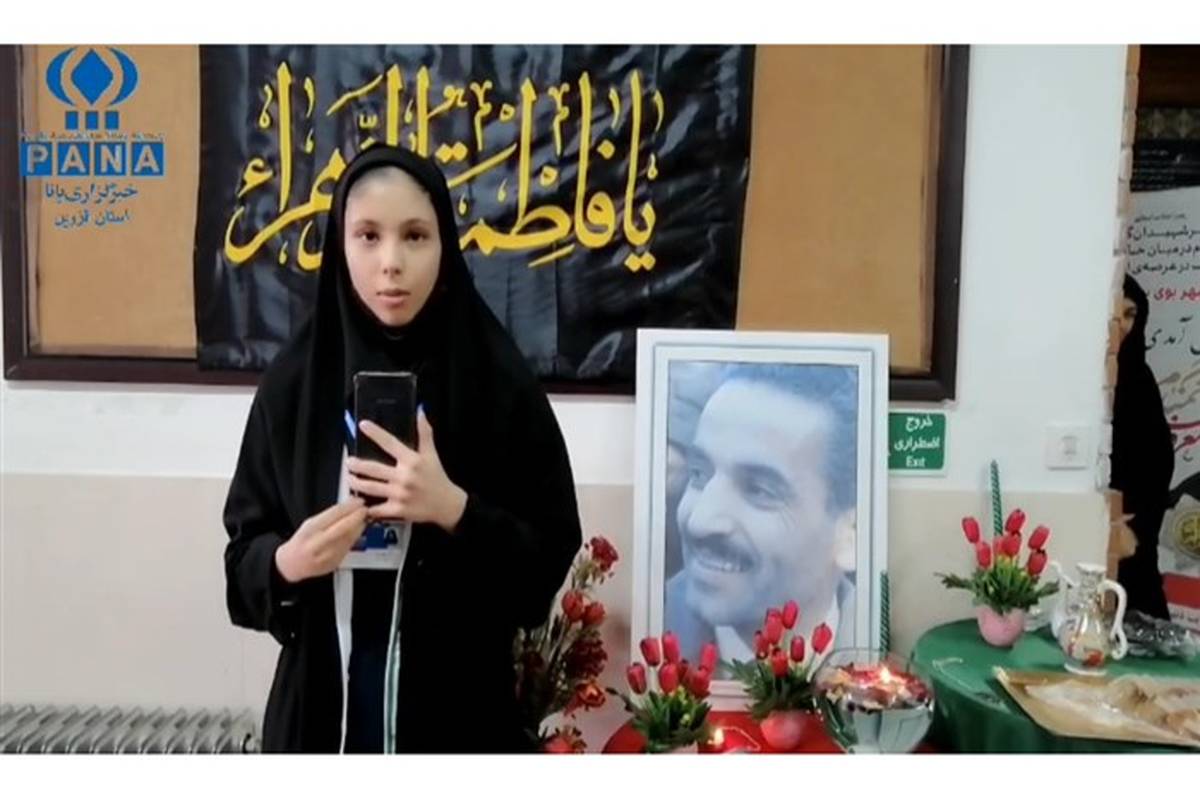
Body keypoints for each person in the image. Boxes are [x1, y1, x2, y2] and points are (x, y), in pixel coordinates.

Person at [222, 145, 582, 753]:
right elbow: (240, 571)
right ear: (340, 246)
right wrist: (288, 562)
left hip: (460, 728)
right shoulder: (294, 388)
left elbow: (542, 571)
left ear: (445, 245)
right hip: (318, 726)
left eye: (415, 236)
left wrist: (453, 509)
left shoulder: (498, 386)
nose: (391, 263)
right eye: (368, 236)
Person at [664, 363, 859, 669]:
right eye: (699, 474)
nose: (699, 521)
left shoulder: (877, 657)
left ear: (850, 534)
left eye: (759, 490)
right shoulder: (651, 630)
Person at [1112, 275, 1173, 619]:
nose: (1123, 324)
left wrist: (1135, 530)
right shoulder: (1080, 378)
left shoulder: (1140, 380)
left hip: (1132, 538)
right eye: (1116, 313)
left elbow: (1160, 463)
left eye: (1131, 314)